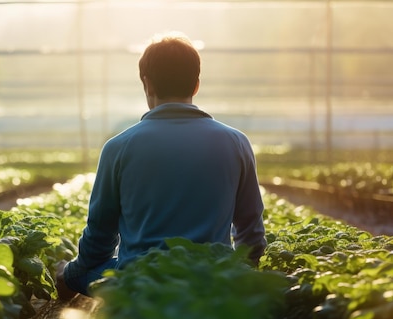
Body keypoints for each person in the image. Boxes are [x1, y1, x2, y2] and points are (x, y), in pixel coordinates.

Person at [56, 31, 267, 299]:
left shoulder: (118, 147)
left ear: (148, 84)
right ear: (196, 85)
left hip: (139, 283)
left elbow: (99, 237)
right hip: (212, 281)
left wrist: (74, 272)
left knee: (73, 273)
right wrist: (239, 274)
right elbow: (251, 229)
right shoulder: (236, 142)